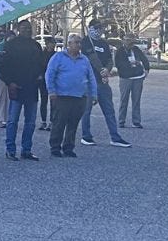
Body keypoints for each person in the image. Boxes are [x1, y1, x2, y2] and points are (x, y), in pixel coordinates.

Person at [79, 20, 132, 148]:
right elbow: (91, 56)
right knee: (86, 110)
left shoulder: (103, 43)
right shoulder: (85, 41)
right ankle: (86, 136)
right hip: (89, 81)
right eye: (96, 28)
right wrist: (100, 69)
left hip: (102, 82)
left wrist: (107, 69)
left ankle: (115, 136)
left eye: (101, 28)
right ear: (90, 28)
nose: (99, 30)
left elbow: (109, 59)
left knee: (109, 109)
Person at [0, 29, 47, 161]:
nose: (26, 31)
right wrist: (9, 82)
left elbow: (42, 64)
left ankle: (26, 150)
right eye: (24, 28)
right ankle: (10, 150)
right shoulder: (11, 45)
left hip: (31, 87)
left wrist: (40, 75)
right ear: (19, 30)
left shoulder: (35, 45)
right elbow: (2, 65)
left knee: (30, 122)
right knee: (12, 121)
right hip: (16, 87)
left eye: (28, 28)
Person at [47, 34, 95, 158]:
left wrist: (93, 94)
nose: (79, 45)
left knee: (73, 124)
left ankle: (68, 147)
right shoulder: (58, 57)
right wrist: (51, 91)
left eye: (80, 42)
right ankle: (55, 147)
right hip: (62, 96)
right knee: (59, 123)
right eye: (76, 42)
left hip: (79, 97)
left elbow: (91, 77)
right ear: (69, 44)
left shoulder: (84, 59)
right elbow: (50, 74)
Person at [116, 37, 150, 129]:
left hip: (138, 77)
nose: (131, 45)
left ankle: (136, 121)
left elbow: (144, 59)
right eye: (129, 43)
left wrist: (146, 69)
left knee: (136, 100)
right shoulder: (120, 51)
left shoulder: (136, 49)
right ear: (125, 42)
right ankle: (121, 121)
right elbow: (118, 64)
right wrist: (129, 64)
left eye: (132, 43)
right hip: (125, 78)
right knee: (124, 100)